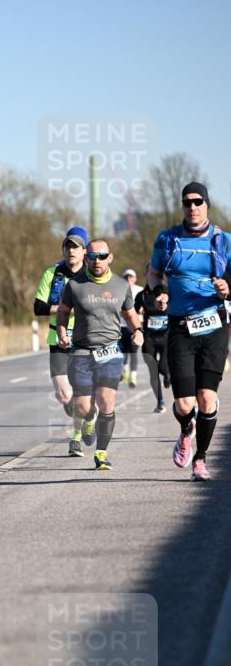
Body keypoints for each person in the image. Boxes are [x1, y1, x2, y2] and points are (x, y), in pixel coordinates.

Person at [147, 181, 231, 481]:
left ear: (207, 204)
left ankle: (200, 459)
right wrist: (158, 291)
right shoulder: (167, 239)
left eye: (198, 202)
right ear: (182, 205)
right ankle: (186, 430)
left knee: (206, 398)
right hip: (180, 327)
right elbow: (154, 272)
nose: (192, 207)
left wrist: (227, 289)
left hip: (214, 326)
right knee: (185, 405)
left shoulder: (224, 241)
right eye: (187, 202)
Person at [56, 239, 144, 470]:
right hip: (81, 352)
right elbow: (63, 311)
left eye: (102, 256)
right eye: (93, 257)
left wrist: (138, 331)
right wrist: (62, 332)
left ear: (110, 258)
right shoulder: (75, 284)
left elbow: (130, 314)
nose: (97, 261)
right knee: (83, 407)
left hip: (110, 351)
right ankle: (88, 418)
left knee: (106, 401)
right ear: (86, 258)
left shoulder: (121, 286)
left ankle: (101, 453)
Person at [33, 226, 89, 457]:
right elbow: (39, 307)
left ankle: (76, 438)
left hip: (86, 338)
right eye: (68, 246)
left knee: (82, 391)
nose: (71, 251)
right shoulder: (52, 273)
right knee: (65, 396)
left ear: (84, 251)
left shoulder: (92, 274)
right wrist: (66, 308)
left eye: (76, 247)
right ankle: (83, 412)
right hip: (58, 339)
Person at [139, 285, 170, 412]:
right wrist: (138, 311)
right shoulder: (142, 295)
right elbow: (130, 311)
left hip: (165, 338)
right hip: (149, 338)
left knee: (162, 367)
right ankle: (160, 401)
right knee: (153, 371)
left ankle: (167, 374)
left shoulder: (169, 293)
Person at [120, 268, 143, 387]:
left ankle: (133, 376)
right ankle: (125, 370)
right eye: (126, 277)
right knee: (124, 352)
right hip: (122, 325)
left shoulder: (140, 290)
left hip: (136, 326)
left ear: (135, 278)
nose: (128, 279)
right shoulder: (119, 289)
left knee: (133, 352)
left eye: (130, 277)